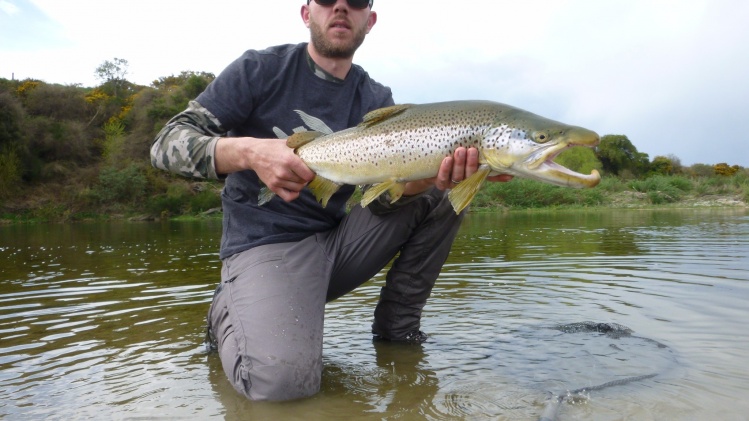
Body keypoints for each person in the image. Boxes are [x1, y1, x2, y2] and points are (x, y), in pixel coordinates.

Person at [151, 0, 511, 401]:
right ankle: (229, 309)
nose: (340, 6)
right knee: (282, 386)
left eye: (355, 1)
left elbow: (383, 203)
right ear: (307, 13)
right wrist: (251, 153)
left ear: (369, 20)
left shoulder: (376, 97)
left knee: (439, 197)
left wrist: (421, 181)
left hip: (337, 245)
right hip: (264, 248)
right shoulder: (259, 69)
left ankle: (397, 335)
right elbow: (166, 145)